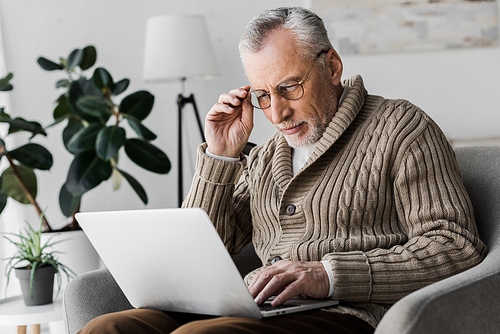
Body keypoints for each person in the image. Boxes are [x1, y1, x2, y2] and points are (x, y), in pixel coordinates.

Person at [80, 7, 487, 334]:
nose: (277, 113)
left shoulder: (402, 127)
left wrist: (328, 274)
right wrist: (220, 157)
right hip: (253, 309)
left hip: (347, 315)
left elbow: (455, 245)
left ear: (331, 67)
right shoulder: (264, 155)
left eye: (290, 87)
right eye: (262, 95)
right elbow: (204, 251)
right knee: (110, 327)